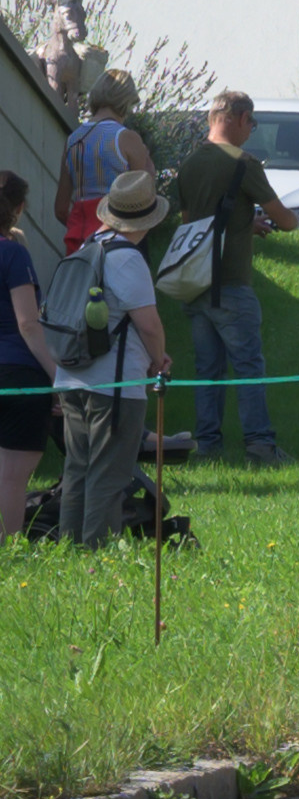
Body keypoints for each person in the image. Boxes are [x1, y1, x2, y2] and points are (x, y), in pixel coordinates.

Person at [176, 90, 299, 466]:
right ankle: (260, 445)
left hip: (196, 283)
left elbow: (192, 223)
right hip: (232, 283)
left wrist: (246, 222)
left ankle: (208, 446)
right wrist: (271, 219)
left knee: (207, 370)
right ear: (239, 118)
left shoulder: (189, 163)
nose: (252, 131)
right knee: (248, 366)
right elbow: (288, 221)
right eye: (252, 123)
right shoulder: (243, 163)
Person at [52, 172, 171, 546]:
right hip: (114, 384)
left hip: (71, 375)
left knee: (78, 468)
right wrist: (160, 360)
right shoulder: (127, 259)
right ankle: (96, 557)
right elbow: (148, 324)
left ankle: (71, 550)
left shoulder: (89, 245)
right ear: (147, 220)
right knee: (108, 472)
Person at [0, 171, 59, 539]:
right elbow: (28, 323)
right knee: (11, 477)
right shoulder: (14, 253)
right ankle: (8, 550)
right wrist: (59, 377)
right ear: (18, 210)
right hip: (17, 374)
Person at [54, 69, 151, 250]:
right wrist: (150, 170)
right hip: (119, 240)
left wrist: (81, 229)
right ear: (126, 101)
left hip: (80, 242)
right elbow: (144, 199)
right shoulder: (126, 138)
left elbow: (60, 209)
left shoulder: (73, 141)